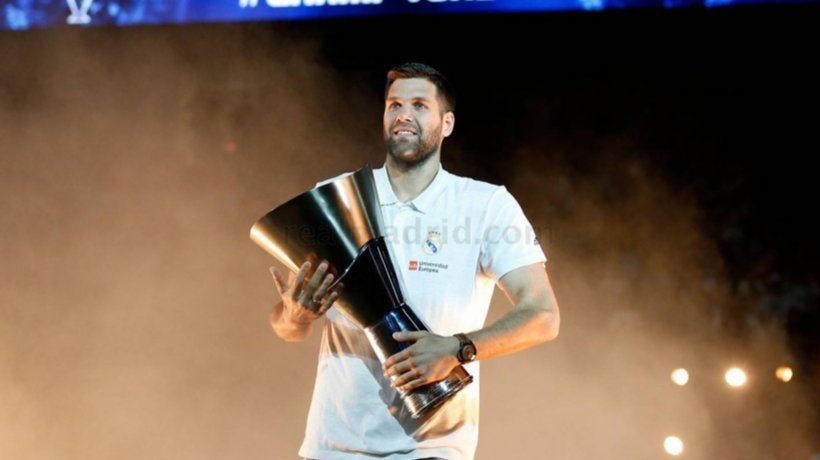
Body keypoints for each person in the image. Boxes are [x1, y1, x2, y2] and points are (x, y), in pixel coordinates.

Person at [268, 62, 560, 460]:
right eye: (395, 105)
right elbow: (287, 328)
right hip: (331, 447)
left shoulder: (485, 205)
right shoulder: (337, 197)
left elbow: (542, 315)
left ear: (448, 123)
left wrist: (459, 349)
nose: (404, 114)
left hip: (434, 447)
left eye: (420, 105)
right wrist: (296, 316)